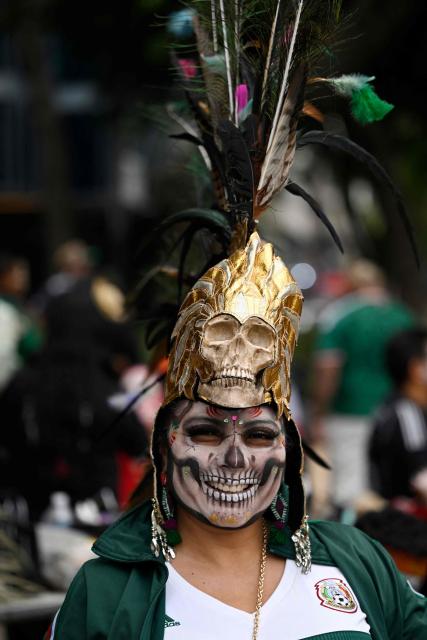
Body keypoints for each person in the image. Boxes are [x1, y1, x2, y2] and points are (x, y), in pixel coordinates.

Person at [45, 2, 427, 638]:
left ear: (290, 445)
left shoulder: (356, 566)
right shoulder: (107, 595)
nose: (233, 457)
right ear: (163, 441)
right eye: (204, 431)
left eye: (257, 435)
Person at [310, 259, 414, 515]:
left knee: (350, 489)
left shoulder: (340, 315)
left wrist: (319, 410)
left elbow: (328, 366)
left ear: (350, 285)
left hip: (350, 410)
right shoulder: (403, 316)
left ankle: (353, 546)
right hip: (400, 413)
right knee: (390, 486)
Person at [370, 327, 427, 505]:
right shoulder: (406, 412)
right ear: (415, 368)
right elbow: (422, 478)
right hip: (408, 523)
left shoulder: (392, 404)